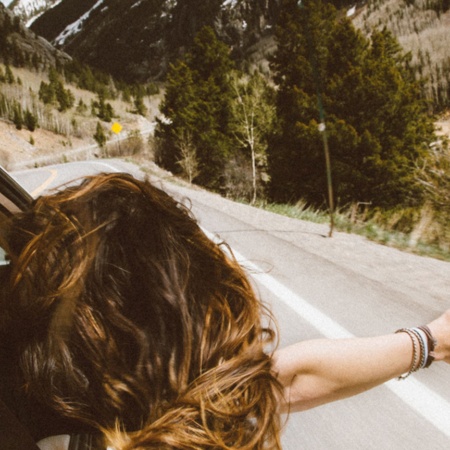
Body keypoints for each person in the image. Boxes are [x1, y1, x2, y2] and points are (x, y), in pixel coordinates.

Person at [0, 172, 448, 450]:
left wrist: (429, 342)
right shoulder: (184, 421)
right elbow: (278, 381)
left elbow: (289, 376)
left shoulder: (63, 428)